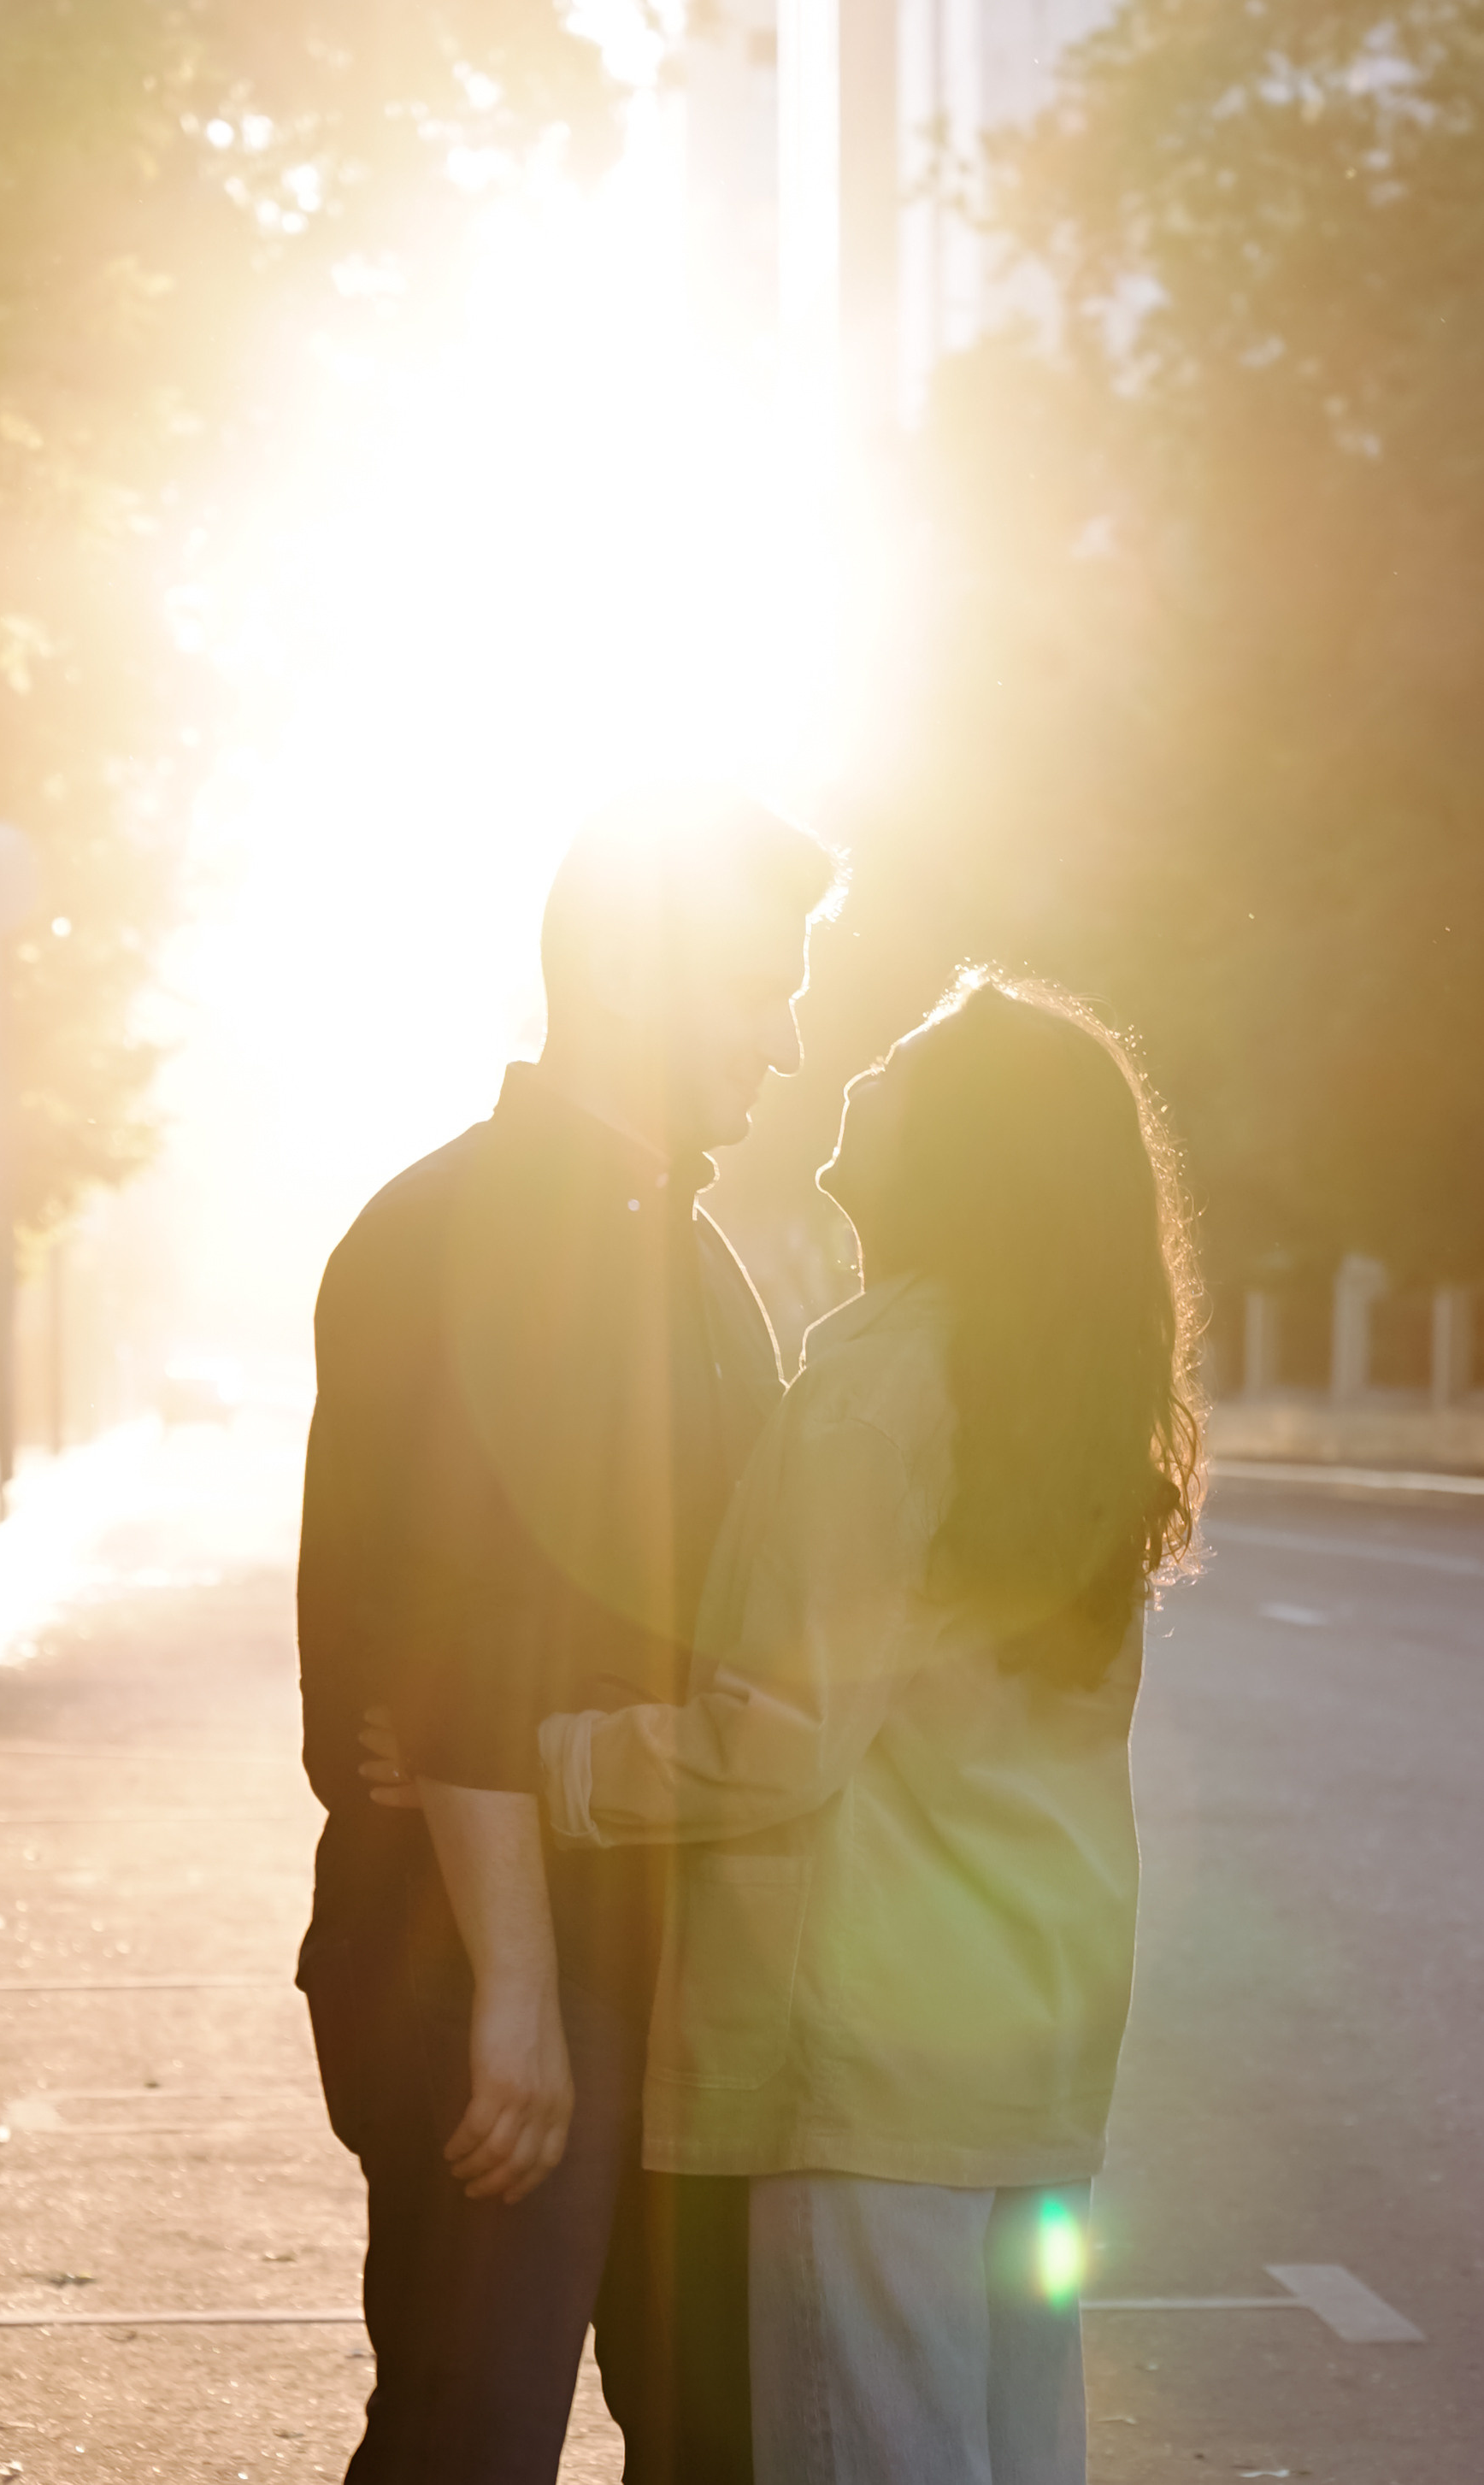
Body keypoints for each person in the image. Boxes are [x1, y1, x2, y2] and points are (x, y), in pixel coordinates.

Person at [514, 971, 1204, 2485]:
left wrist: (547, 1762)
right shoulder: (1059, 1392)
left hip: (861, 2056)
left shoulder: (877, 1386)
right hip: (1023, 2049)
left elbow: (775, 1735)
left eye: (899, 1061)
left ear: (958, 1141)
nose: (859, 1073)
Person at [296, 787, 840, 2482]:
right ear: (634, 979)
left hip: (662, 1961)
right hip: (493, 1967)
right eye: (755, 986)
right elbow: (445, 1627)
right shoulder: (480, 1225)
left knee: (712, 2437)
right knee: (470, 2431)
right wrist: (517, 1990)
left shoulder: (678, 1250)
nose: (781, 1035)